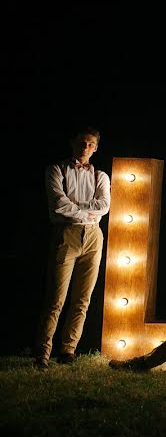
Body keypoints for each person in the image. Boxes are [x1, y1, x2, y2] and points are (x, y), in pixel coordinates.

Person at [34, 126, 111, 369]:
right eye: (81, 143)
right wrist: (84, 212)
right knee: (56, 297)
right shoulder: (56, 170)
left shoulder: (101, 176)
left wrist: (80, 210)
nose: (85, 148)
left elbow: (104, 206)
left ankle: (68, 349)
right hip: (66, 234)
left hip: (93, 237)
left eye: (90, 144)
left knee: (83, 298)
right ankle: (43, 353)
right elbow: (59, 204)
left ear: (96, 148)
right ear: (72, 143)